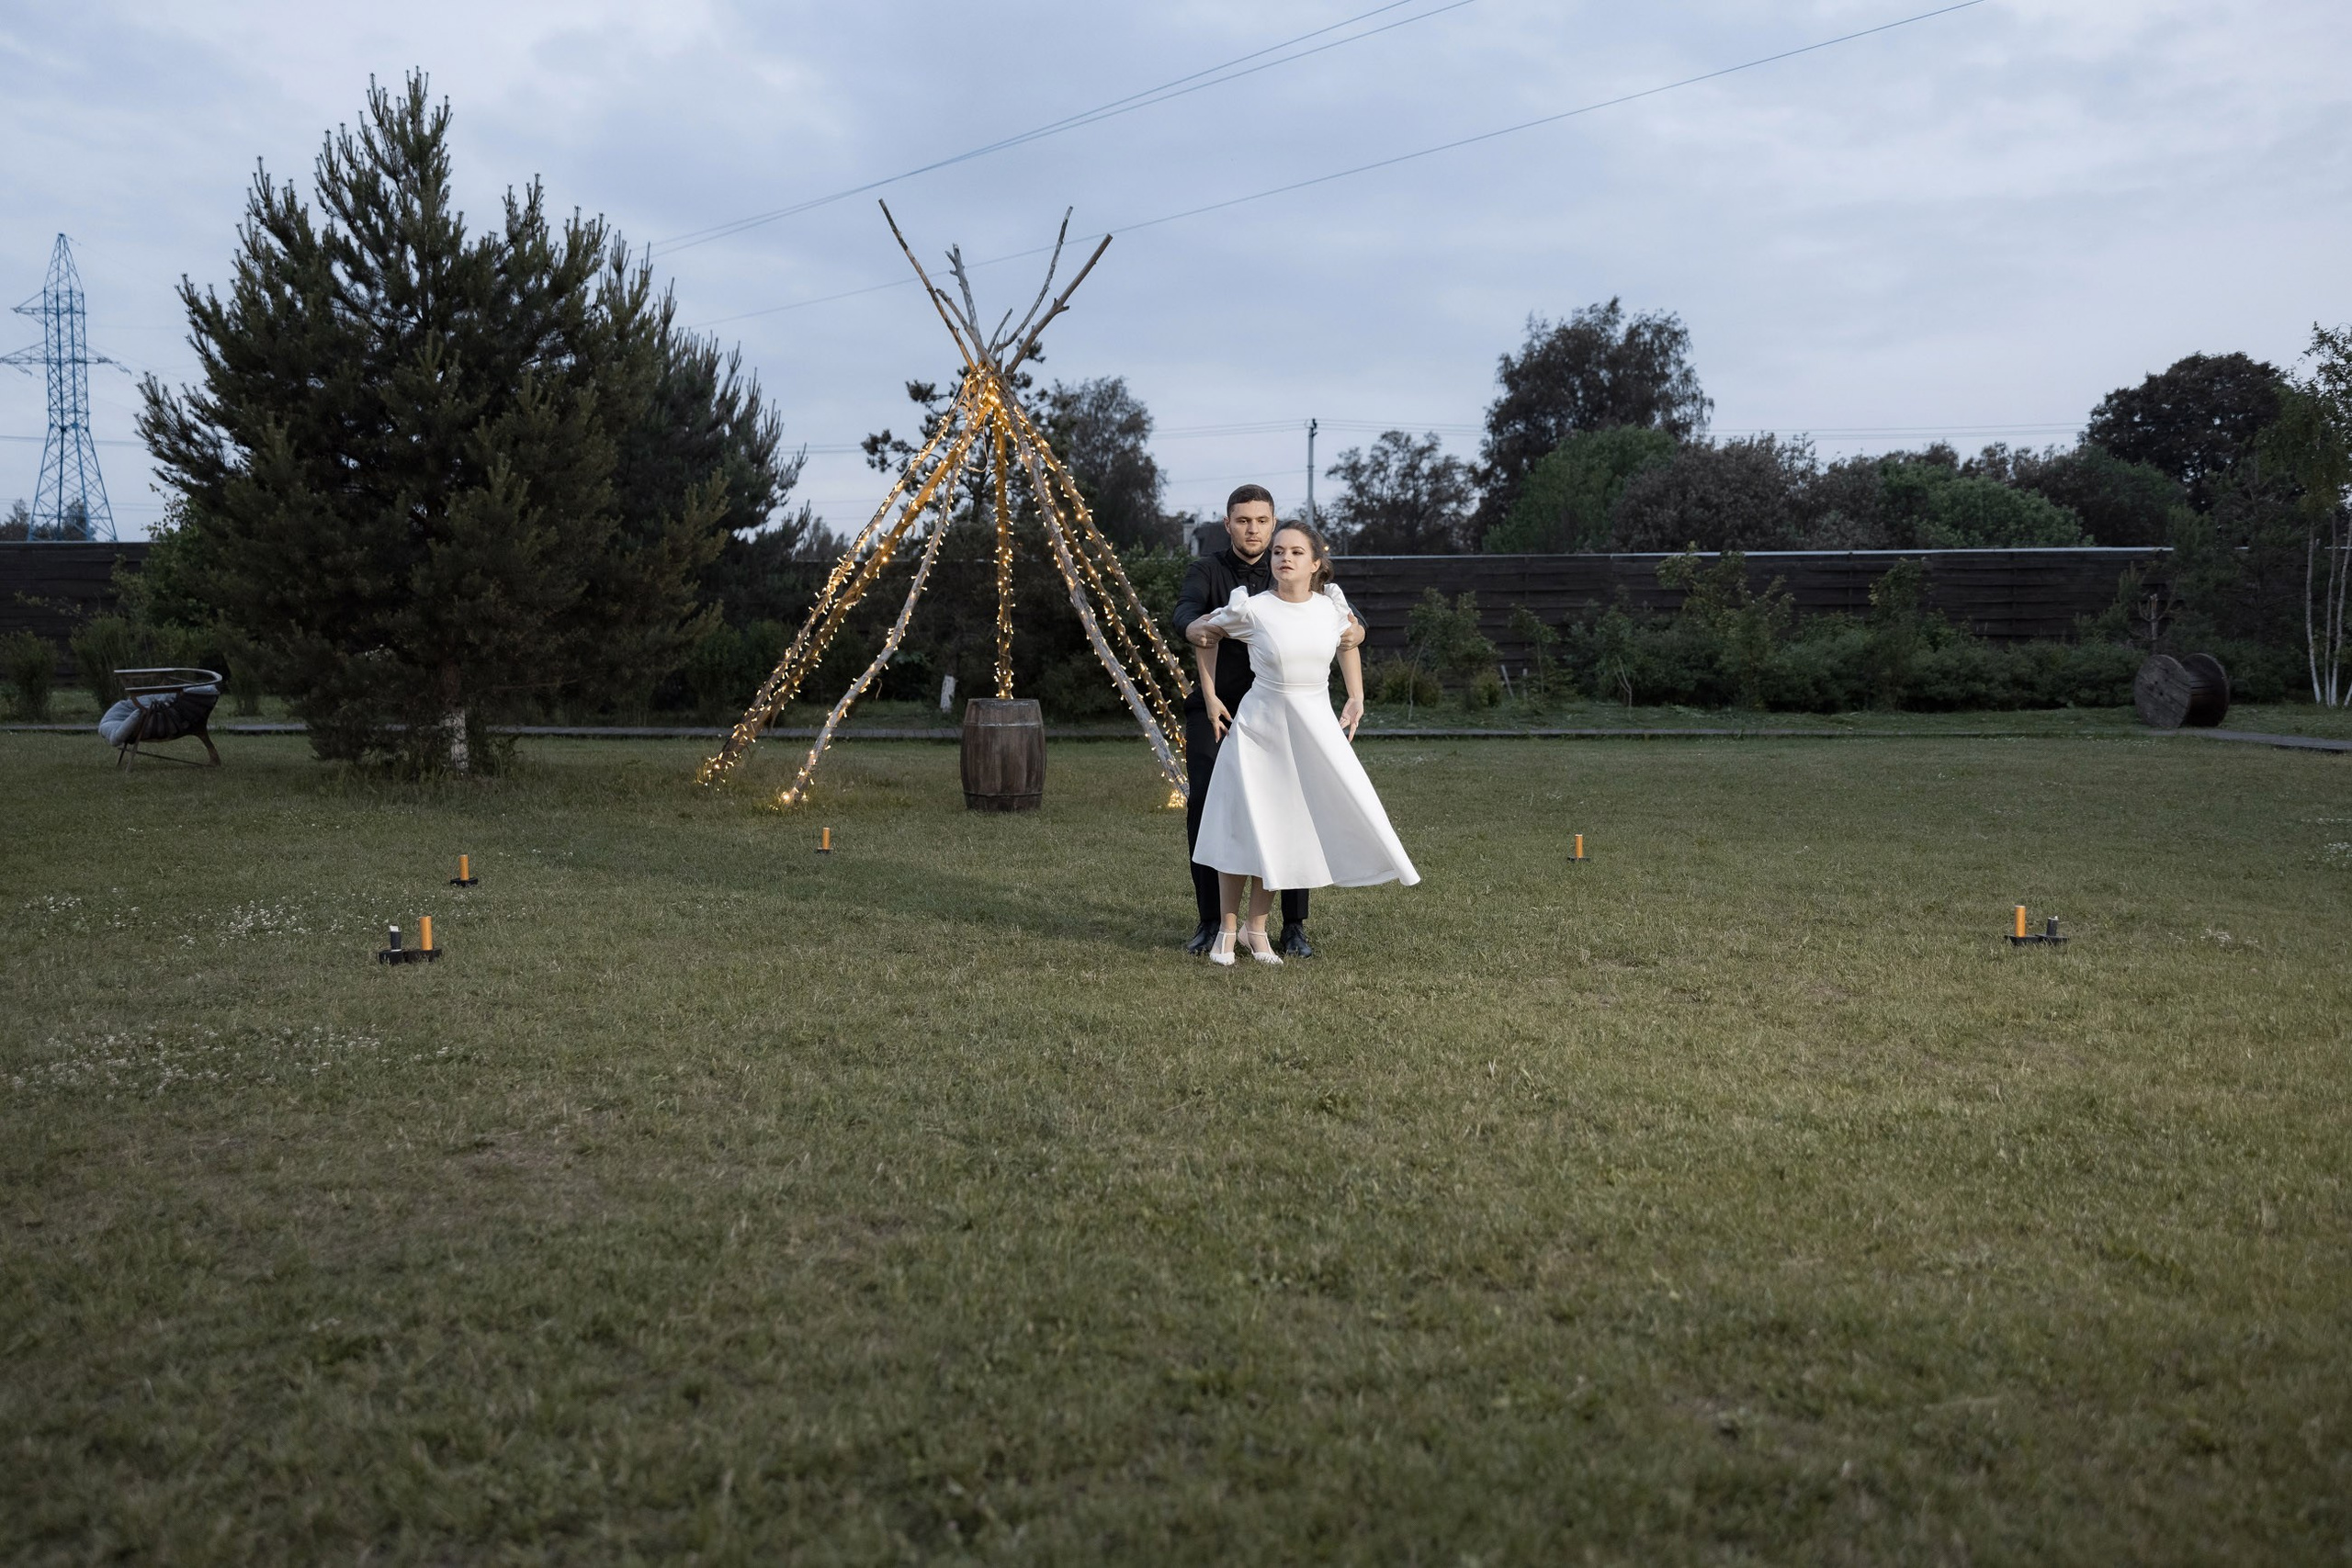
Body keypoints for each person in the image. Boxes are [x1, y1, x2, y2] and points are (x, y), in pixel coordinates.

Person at [1186, 523, 1419, 965]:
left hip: (1311, 727)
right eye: (1277, 552)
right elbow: (1203, 634)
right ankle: (1226, 933)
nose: (1284, 558)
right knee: (1240, 829)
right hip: (1260, 730)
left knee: (1284, 831)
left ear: (1316, 564)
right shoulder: (1251, 609)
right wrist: (1211, 695)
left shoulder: (1330, 608)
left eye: (1295, 552)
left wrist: (1356, 695)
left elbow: (1349, 643)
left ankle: (1259, 933)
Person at [1172, 485, 1363, 956]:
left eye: (1262, 521)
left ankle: (1292, 925)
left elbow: (1347, 627)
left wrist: (1356, 652)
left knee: (1296, 807)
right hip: (1219, 710)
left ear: (1274, 522)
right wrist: (1194, 631)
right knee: (1209, 806)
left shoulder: (1300, 571)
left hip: (1290, 712)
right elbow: (1193, 618)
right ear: (1228, 523)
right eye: (1243, 520)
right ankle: (1212, 921)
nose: (1253, 529)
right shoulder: (1209, 571)